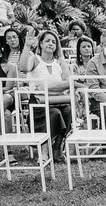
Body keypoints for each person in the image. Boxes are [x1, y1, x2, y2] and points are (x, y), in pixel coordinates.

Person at [21, 30, 74, 159]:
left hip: (58, 99)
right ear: (40, 43)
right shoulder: (35, 59)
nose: (51, 43)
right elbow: (23, 68)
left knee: (68, 111)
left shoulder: (60, 61)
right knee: (54, 113)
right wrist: (27, 46)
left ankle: (57, 147)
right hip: (39, 102)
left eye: (54, 42)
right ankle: (44, 152)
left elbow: (67, 82)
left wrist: (47, 88)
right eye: (47, 41)